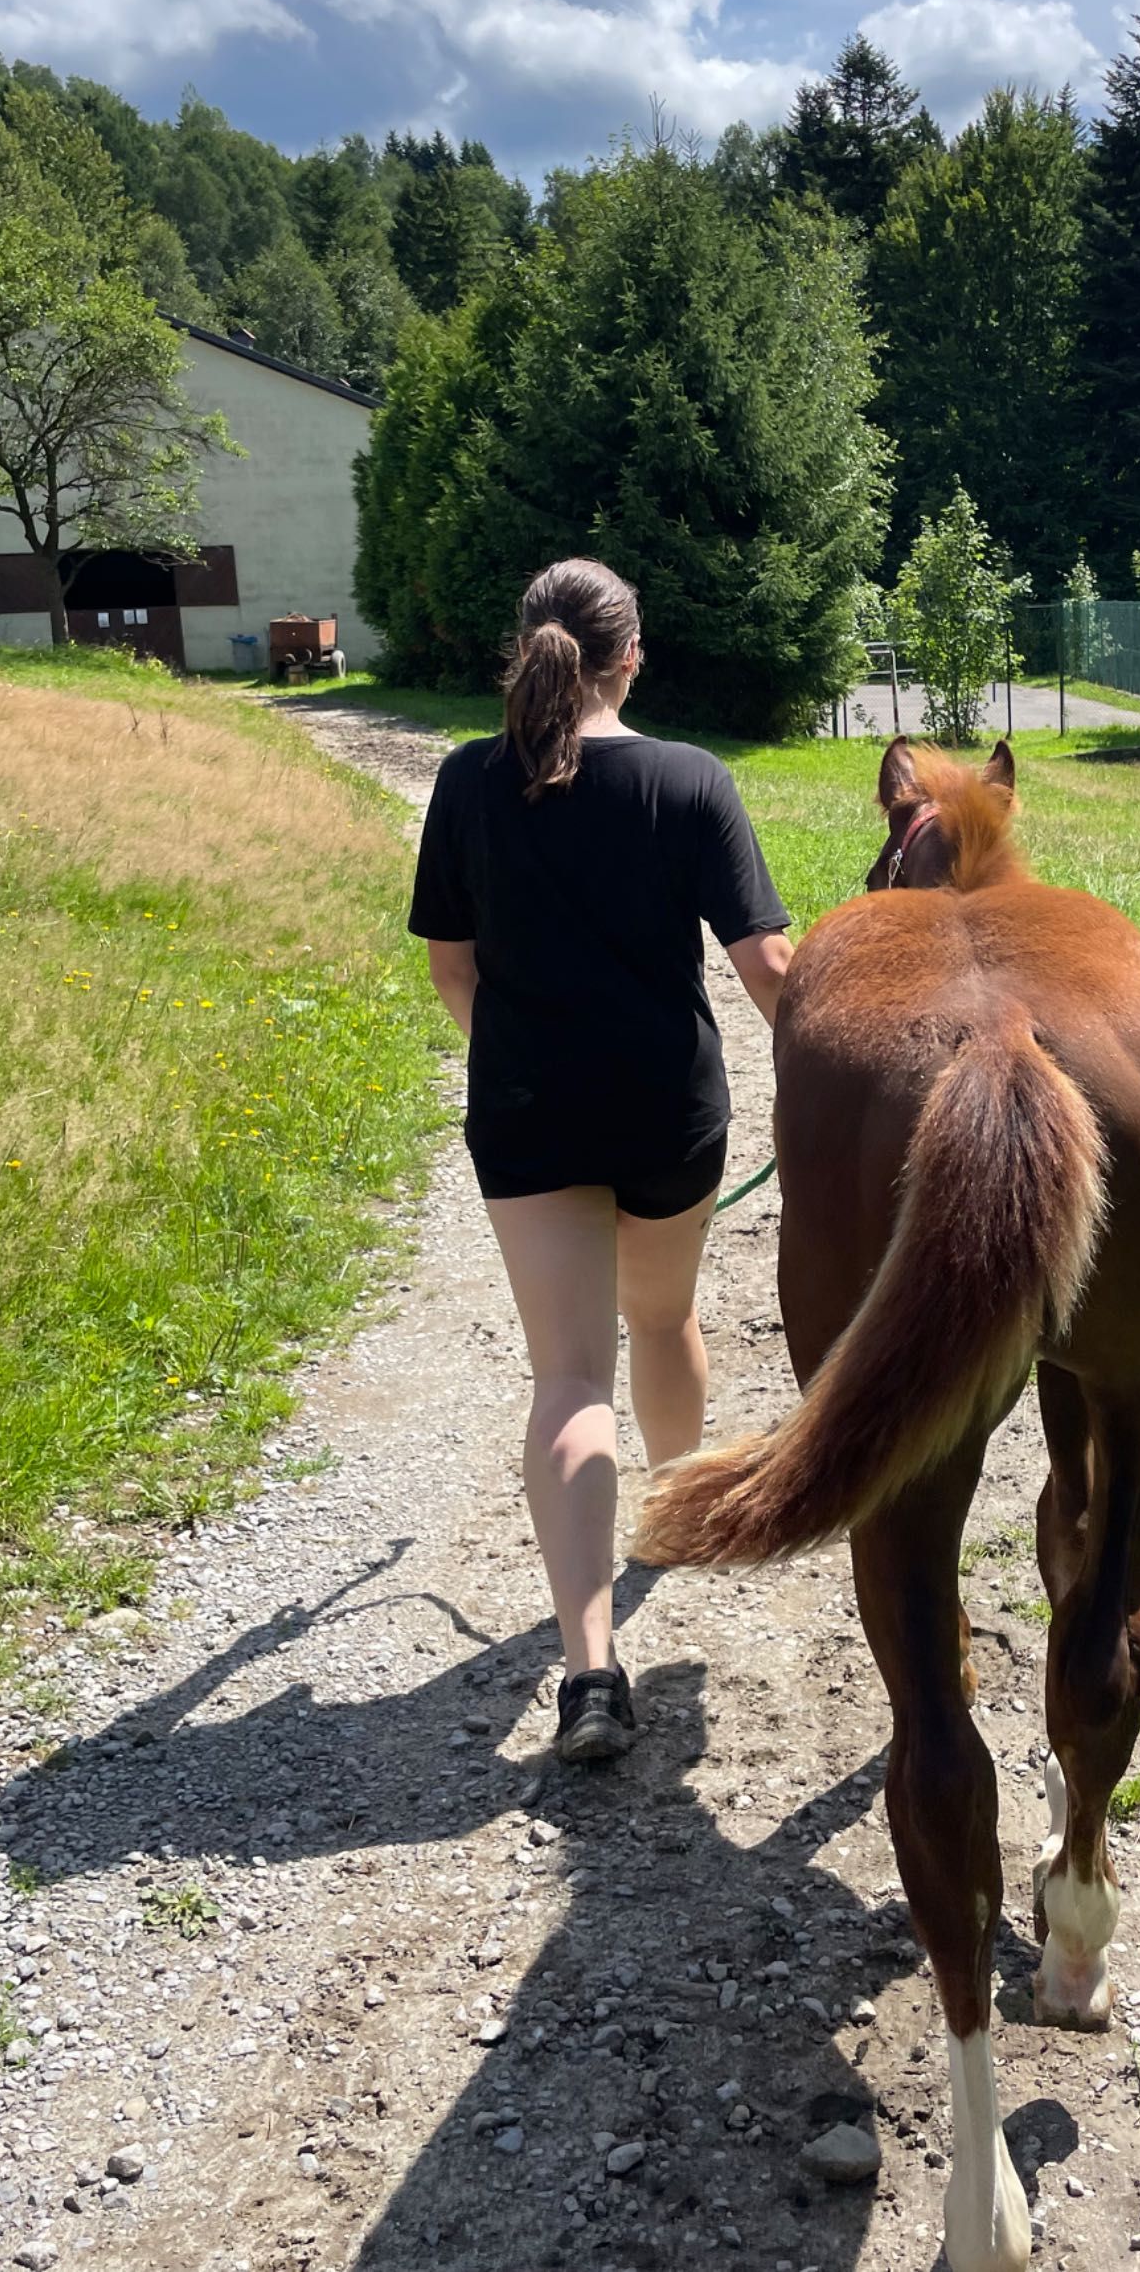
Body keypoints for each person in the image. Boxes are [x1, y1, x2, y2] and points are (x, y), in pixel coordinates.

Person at [409, 559, 795, 1762]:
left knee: (568, 1378)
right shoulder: (689, 781)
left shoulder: (469, 780)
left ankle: (588, 1674)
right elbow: (771, 977)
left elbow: (451, 969)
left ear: (528, 652)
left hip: (528, 1115)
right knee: (664, 1316)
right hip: (663, 1109)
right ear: (631, 658)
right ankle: (669, 1528)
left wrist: (525, 1062)